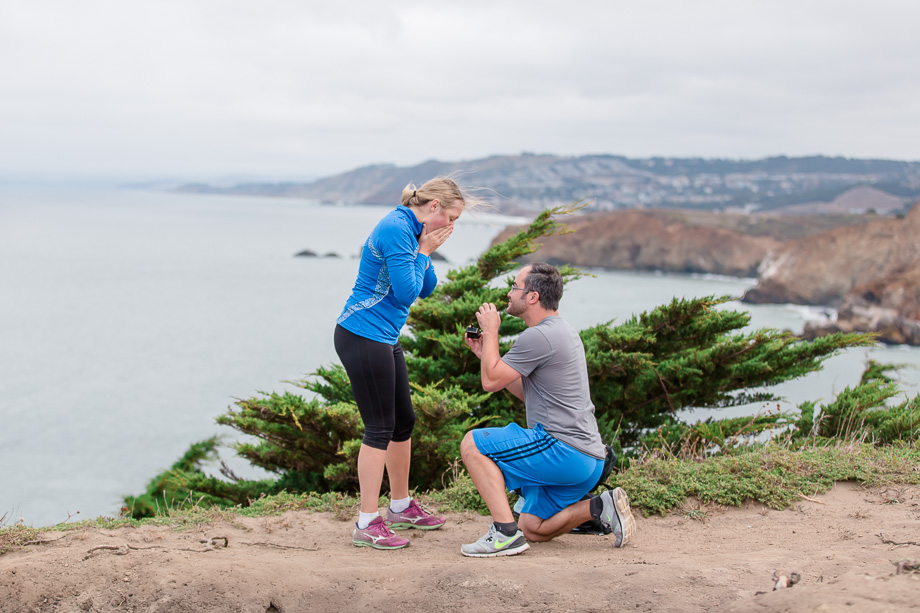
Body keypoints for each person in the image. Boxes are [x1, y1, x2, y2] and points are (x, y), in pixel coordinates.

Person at [335, 177, 477, 550]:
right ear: (433, 207)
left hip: (384, 337)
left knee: (403, 422)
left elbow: (426, 288)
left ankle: (399, 506)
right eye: (451, 217)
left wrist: (423, 252)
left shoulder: (412, 232)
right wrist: (424, 252)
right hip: (363, 335)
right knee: (379, 427)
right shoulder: (398, 229)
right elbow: (405, 291)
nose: (451, 226)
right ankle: (367, 522)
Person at [461, 262, 636, 557]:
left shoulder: (538, 336)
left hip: (563, 450)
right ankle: (598, 506)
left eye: (515, 287)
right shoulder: (562, 331)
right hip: (589, 460)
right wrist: (485, 355)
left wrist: (491, 332)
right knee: (533, 527)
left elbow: (489, 381)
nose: (509, 293)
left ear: (532, 297)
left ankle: (504, 533)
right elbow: (531, 395)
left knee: (472, 445)